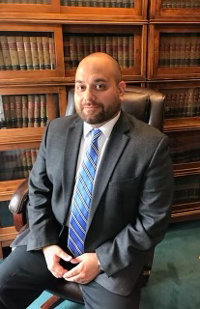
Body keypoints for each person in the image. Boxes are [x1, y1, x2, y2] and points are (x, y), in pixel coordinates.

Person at [0, 52, 174, 309]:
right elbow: (38, 191)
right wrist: (47, 244)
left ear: (121, 90)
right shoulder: (56, 131)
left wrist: (101, 260)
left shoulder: (150, 145)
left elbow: (153, 219)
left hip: (110, 252)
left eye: (100, 86)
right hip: (53, 239)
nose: (88, 96)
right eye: (81, 86)